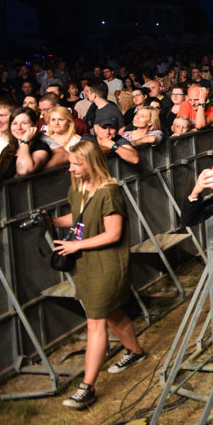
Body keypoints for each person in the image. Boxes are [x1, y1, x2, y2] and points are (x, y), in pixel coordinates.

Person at [50, 141, 145, 409]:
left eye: (76, 164)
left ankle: (87, 387)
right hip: (86, 265)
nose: (71, 169)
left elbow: (113, 233)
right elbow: (79, 218)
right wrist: (52, 221)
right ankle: (135, 352)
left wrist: (75, 246)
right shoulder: (78, 188)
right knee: (111, 312)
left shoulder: (109, 192)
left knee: (95, 321)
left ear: (91, 163)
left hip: (107, 265)